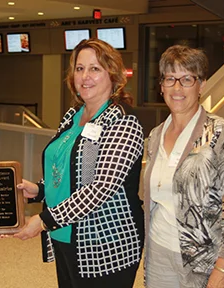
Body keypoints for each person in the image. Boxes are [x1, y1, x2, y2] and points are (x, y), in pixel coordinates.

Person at [14, 38, 144, 287]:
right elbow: (67, 169)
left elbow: (101, 187)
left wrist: (43, 221)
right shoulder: (73, 116)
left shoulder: (123, 122)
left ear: (113, 75)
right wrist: (39, 190)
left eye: (95, 68)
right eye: (79, 68)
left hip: (104, 243)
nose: (85, 76)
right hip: (65, 234)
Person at [143, 45, 224, 288]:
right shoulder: (155, 135)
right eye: (170, 79)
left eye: (187, 79)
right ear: (161, 86)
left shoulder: (222, 135)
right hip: (159, 250)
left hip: (206, 261)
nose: (177, 88)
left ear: (201, 85)